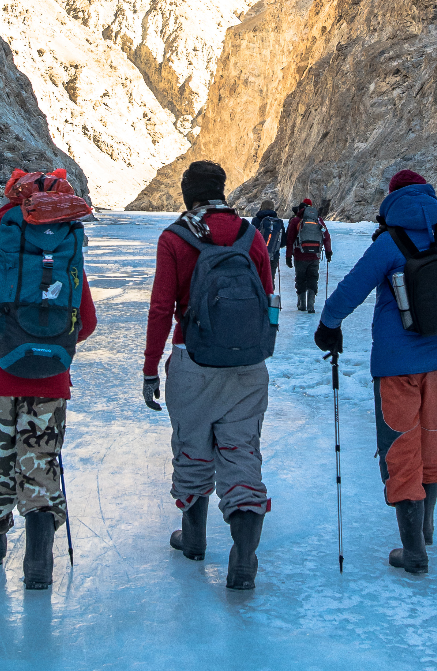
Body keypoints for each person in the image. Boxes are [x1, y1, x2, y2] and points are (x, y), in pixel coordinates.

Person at [0, 169, 97, 590]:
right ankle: (39, 564)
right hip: (51, 378)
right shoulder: (68, 255)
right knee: (39, 463)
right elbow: (86, 324)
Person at [313, 170, 437, 575]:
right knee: (431, 437)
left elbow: (352, 288)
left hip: (398, 363)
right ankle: (426, 522)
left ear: (392, 199)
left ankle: (412, 549)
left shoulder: (388, 242)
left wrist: (328, 325)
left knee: (400, 445)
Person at [142, 161, 275, 590]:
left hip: (193, 363)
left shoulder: (175, 238)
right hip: (248, 367)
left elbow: (162, 309)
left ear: (188, 194)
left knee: (192, 447)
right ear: (221, 190)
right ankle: (243, 557)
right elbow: (268, 295)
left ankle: (195, 538)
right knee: (241, 454)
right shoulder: (251, 236)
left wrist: (149, 369)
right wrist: (259, 348)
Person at [284, 198, 332, 313]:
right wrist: (328, 251)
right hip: (315, 255)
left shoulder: (296, 221)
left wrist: (288, 256)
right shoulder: (318, 220)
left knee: (301, 279)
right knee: (313, 278)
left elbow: (289, 240)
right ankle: (311, 305)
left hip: (300, 255)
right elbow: (326, 236)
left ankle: (302, 304)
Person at [250, 199, 286, 284]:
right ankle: (269, 296)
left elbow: (251, 238)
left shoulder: (255, 220)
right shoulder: (278, 222)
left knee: (257, 281)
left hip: (258, 256)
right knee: (270, 281)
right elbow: (283, 241)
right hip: (273, 256)